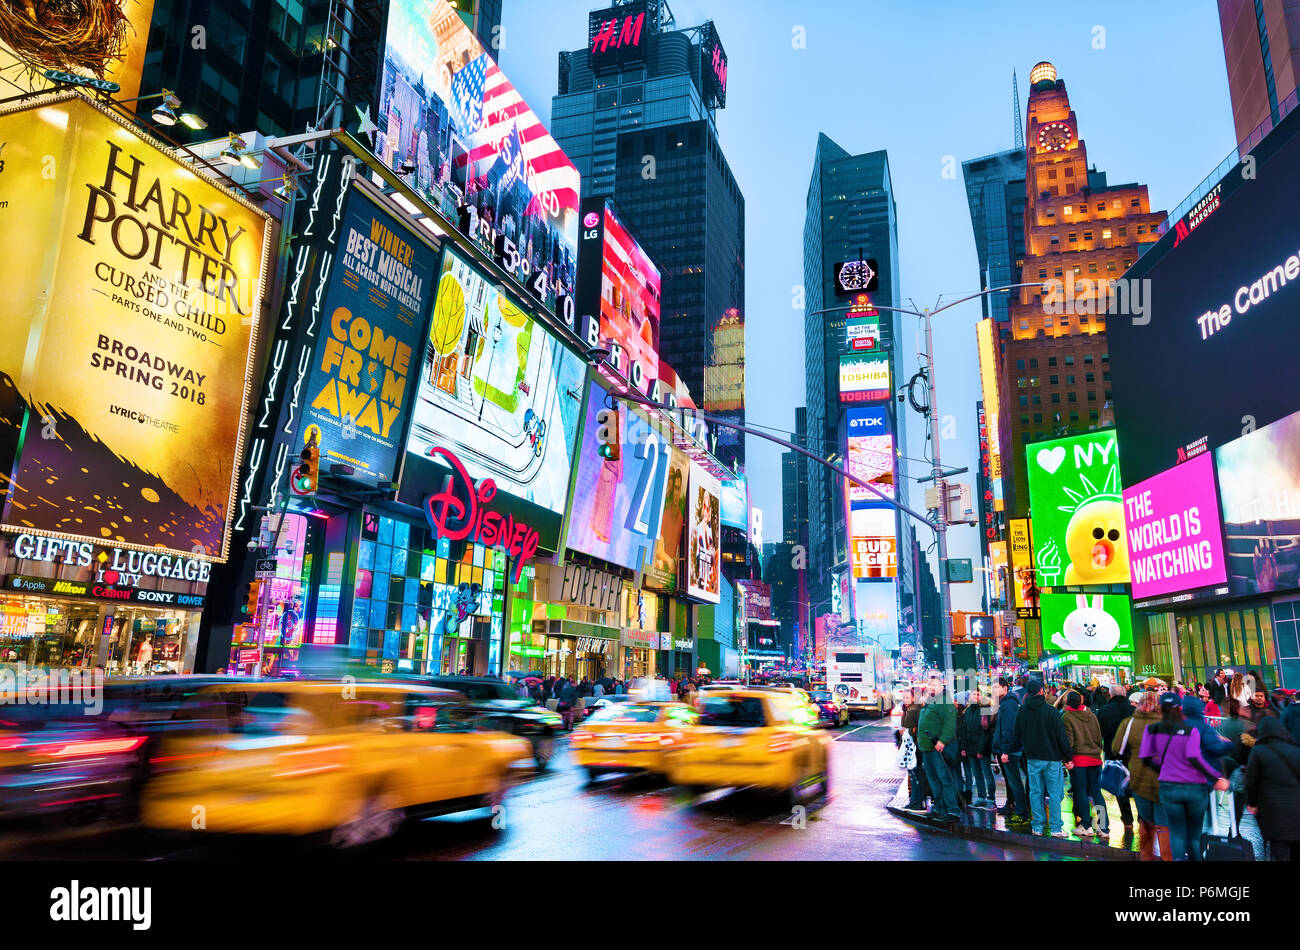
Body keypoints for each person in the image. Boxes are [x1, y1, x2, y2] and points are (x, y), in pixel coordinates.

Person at [1139, 692, 1230, 861]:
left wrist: (1163, 770)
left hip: (1168, 786)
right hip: (1195, 787)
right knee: (1194, 834)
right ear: (1180, 708)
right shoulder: (1190, 730)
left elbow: (1145, 757)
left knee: (1176, 831)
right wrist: (1215, 777)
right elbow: (1195, 758)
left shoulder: (1152, 729)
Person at [1015, 678, 1073, 838]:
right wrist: (1068, 757)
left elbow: (1017, 734)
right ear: (1041, 691)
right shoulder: (1051, 712)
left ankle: (1038, 826)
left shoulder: (1022, 711)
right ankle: (1055, 828)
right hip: (1052, 757)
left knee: (1035, 792)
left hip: (1032, 757)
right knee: (1055, 793)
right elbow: (1061, 737)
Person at [1113, 689, 1163, 860]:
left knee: (1145, 822)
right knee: (1164, 823)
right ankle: (1166, 855)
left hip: (1139, 776)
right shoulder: (1165, 722)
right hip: (1163, 777)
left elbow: (1116, 748)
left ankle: (1147, 856)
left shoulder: (1129, 722)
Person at [1244, 718, 1300, 860]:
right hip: (1296, 808)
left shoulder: (1258, 751)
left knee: (1278, 849)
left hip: (1273, 809)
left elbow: (1251, 781)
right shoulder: (1296, 750)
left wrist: (1252, 803)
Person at [916, 675, 962, 822]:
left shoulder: (944, 702)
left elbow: (950, 724)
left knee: (945, 779)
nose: (931, 688)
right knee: (934, 779)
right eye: (929, 685)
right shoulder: (930, 702)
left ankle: (953, 810)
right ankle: (940, 808)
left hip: (940, 748)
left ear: (941, 686)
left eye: (934, 685)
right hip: (928, 748)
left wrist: (942, 741)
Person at [1062, 690, 1108, 836]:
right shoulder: (1091, 715)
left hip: (1079, 759)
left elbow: (1068, 741)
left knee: (1080, 791)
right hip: (1095, 758)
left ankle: (1086, 825)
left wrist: (1067, 759)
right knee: (1096, 792)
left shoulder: (1067, 717)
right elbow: (1098, 735)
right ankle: (1103, 826)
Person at [1095, 682, 1137, 830]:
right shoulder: (1133, 710)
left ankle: (1127, 820)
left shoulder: (1104, 711)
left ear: (1111, 695)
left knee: (1119, 786)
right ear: (1125, 695)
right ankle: (1143, 819)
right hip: (1134, 753)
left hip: (1113, 753)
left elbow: (1098, 733)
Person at [992, 677, 1030, 826]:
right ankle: (1016, 808)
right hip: (1007, 749)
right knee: (1012, 781)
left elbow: (1009, 729)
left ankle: (1021, 812)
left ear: (1005, 688)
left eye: (996, 687)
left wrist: (1006, 750)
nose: (994, 691)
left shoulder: (1009, 705)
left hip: (1010, 750)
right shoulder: (1006, 703)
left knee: (1014, 782)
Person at [958, 689, 994, 807]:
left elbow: (986, 732)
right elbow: (964, 730)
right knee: (977, 774)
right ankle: (981, 797)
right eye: (974, 694)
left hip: (982, 749)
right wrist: (963, 747)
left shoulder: (984, 709)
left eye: (978, 694)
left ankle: (991, 798)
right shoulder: (967, 711)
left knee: (987, 773)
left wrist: (981, 750)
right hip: (970, 748)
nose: (976, 696)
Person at [900, 688, 932, 813]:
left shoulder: (913, 710)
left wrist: (905, 731)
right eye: (903, 697)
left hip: (913, 747)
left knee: (915, 775)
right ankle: (917, 801)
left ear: (913, 698)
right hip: (915, 746)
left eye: (907, 697)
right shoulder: (913, 709)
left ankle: (916, 802)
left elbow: (908, 728)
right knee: (916, 774)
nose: (905, 700)